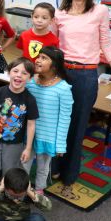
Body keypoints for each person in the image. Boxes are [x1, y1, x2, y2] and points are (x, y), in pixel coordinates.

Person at [51, 0, 111, 199]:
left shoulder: (99, 11)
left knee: (76, 128)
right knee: (56, 124)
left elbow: (106, 43)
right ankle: (54, 168)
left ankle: (69, 176)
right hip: (61, 73)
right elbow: (51, 45)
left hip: (86, 76)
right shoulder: (60, 13)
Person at [0, 58, 39, 182]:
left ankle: (6, 189)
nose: (19, 75)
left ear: (30, 78)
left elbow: (31, 125)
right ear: (8, 73)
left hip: (15, 143)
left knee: (9, 169)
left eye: (24, 73)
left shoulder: (29, 99)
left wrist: (27, 148)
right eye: (15, 71)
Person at [23, 47, 73, 194]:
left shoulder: (63, 88)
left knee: (43, 167)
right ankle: (21, 188)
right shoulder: (30, 82)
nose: (38, 60)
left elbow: (65, 118)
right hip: (28, 133)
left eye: (44, 58)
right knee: (23, 163)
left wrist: (60, 144)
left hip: (47, 136)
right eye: (38, 56)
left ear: (55, 65)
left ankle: (39, 190)